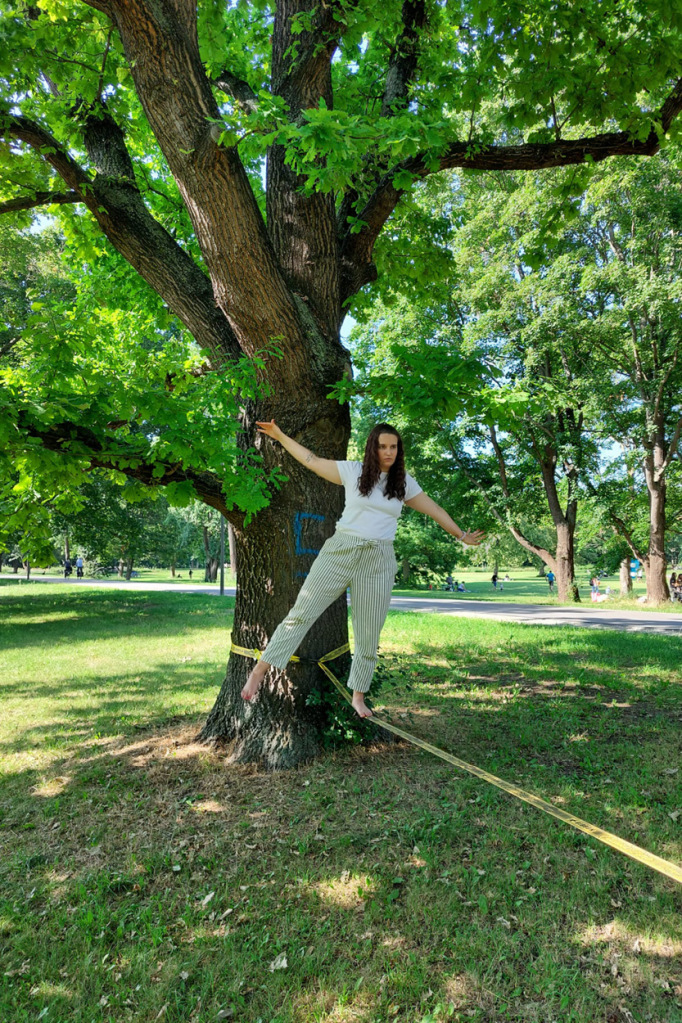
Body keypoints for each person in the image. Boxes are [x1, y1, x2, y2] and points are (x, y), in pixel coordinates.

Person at [241, 421, 485, 718]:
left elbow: (434, 509)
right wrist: (280, 436)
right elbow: (312, 462)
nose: (388, 452)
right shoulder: (353, 471)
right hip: (341, 549)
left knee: (368, 632)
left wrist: (461, 535)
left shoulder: (404, 483)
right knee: (301, 613)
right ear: (373, 447)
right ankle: (260, 670)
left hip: (379, 559)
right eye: (383, 446)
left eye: (393, 447)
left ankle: (358, 696)